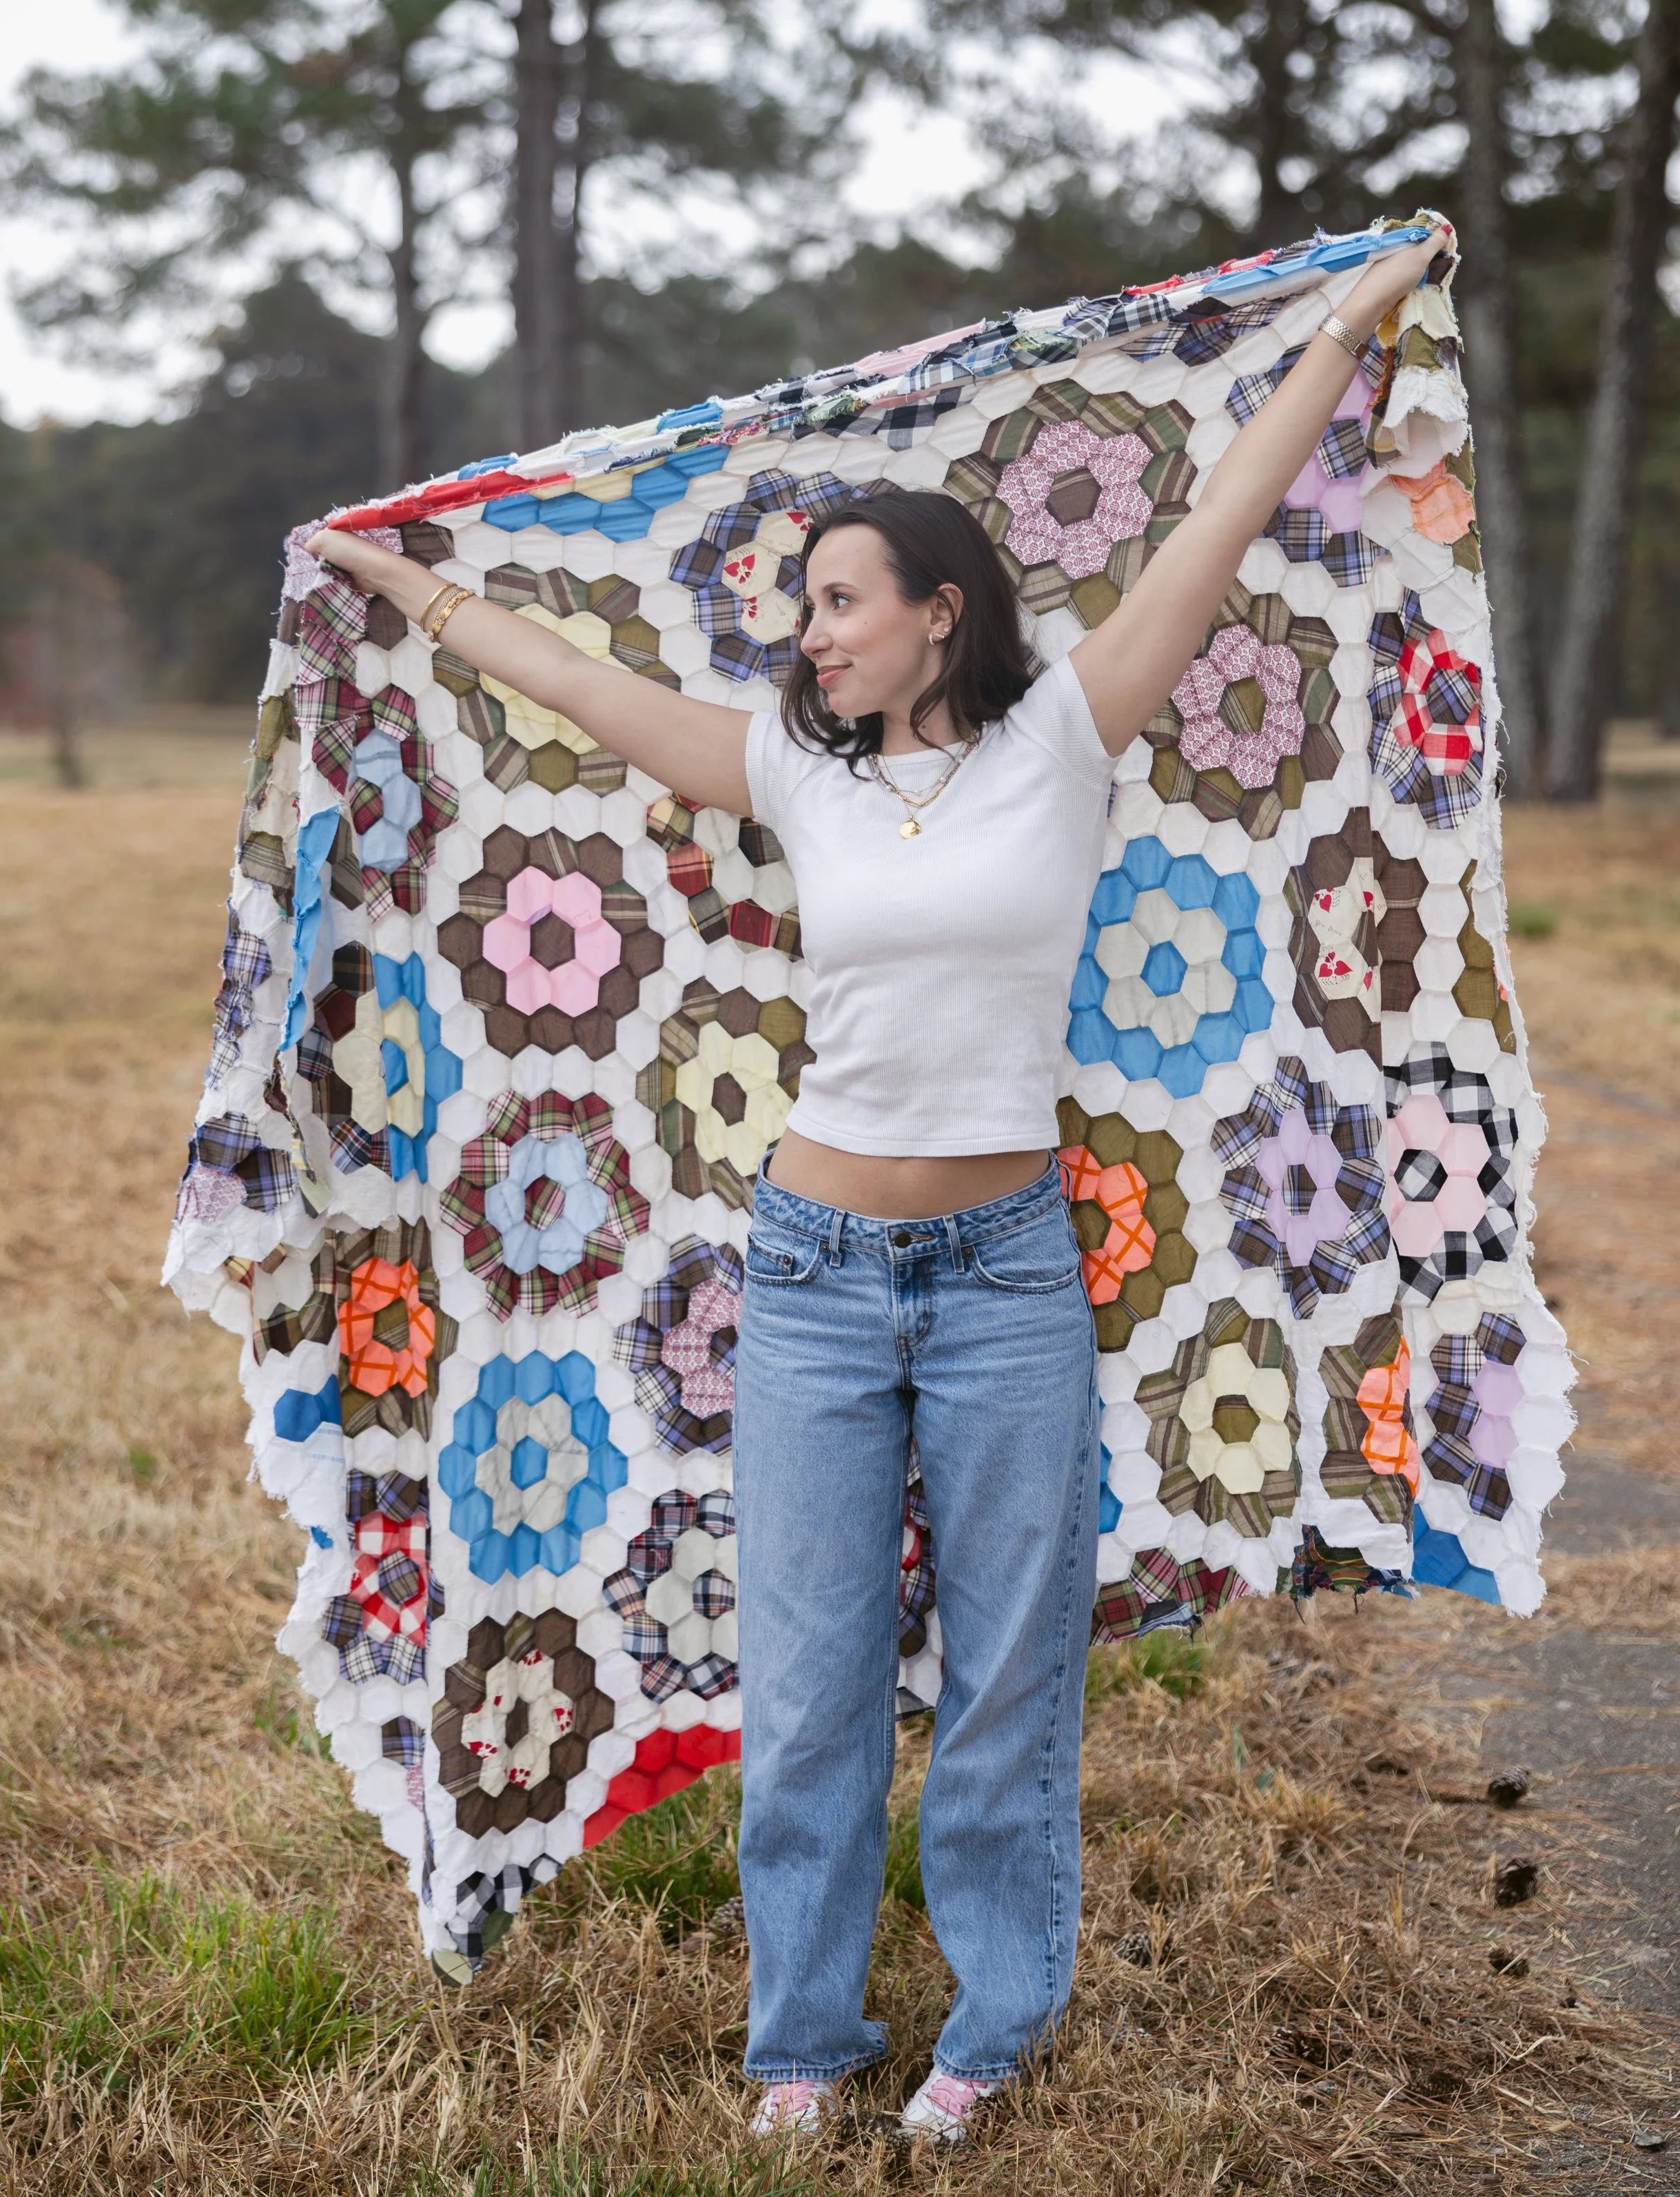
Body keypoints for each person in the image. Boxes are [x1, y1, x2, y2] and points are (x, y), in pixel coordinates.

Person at [311, 225, 1449, 2143]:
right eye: (800, 606)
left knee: (1009, 1685)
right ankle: (798, 2041)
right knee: (814, 1682)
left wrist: (1351, 317)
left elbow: (1215, 518)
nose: (809, 630)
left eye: (839, 598)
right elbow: (583, 690)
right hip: (815, 1273)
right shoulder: (793, 767)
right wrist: (408, 581)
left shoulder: (1066, 735)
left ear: (940, 606)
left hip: (1008, 1273)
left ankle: (990, 2027)